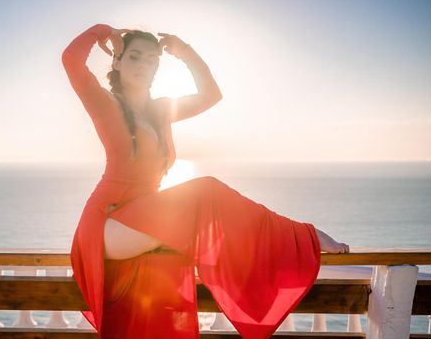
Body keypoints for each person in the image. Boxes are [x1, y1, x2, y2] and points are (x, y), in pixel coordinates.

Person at [62, 23, 350, 339]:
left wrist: (185, 53)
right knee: (205, 191)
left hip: (140, 220)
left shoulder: (160, 111)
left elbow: (211, 95)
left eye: (151, 60)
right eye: (134, 57)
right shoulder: (106, 103)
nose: (144, 65)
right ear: (117, 61)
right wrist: (103, 31)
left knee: (203, 219)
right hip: (107, 225)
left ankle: (279, 248)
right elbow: (71, 60)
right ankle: (300, 238)